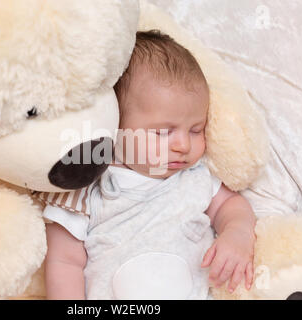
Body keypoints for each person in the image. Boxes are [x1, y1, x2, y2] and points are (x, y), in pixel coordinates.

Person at [41, 30, 256, 299]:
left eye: (195, 129)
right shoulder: (88, 187)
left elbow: (230, 205)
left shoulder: (193, 176)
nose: (183, 145)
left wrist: (238, 233)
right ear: (116, 125)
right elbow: (64, 261)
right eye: (163, 133)